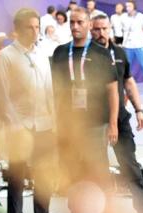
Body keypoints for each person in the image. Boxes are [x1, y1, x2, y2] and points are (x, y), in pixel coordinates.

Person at [0, 8, 56, 213]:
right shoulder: (6, 56)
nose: (34, 32)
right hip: (19, 127)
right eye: (29, 28)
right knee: (17, 179)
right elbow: (3, 97)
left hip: (44, 125)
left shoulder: (42, 53)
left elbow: (50, 89)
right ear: (18, 30)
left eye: (37, 27)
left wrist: (55, 121)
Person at [91, 15, 143, 213]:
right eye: (97, 29)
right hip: (96, 121)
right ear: (91, 30)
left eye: (104, 28)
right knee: (98, 168)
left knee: (129, 164)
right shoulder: (88, 56)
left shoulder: (119, 52)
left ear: (110, 28)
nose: (101, 33)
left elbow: (129, 82)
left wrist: (139, 109)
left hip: (120, 118)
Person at [50, 6, 119, 187]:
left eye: (80, 22)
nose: (75, 26)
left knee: (97, 171)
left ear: (89, 24)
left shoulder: (101, 53)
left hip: (95, 123)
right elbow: (55, 90)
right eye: (72, 22)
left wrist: (113, 124)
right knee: (72, 171)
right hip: (69, 123)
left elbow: (113, 91)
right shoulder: (60, 53)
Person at [122, 1, 143, 90]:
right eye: (126, 6)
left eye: (129, 6)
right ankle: (126, 85)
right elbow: (122, 30)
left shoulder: (141, 17)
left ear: (134, 7)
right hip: (128, 46)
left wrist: (138, 36)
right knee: (127, 67)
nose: (127, 8)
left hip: (139, 45)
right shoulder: (123, 17)